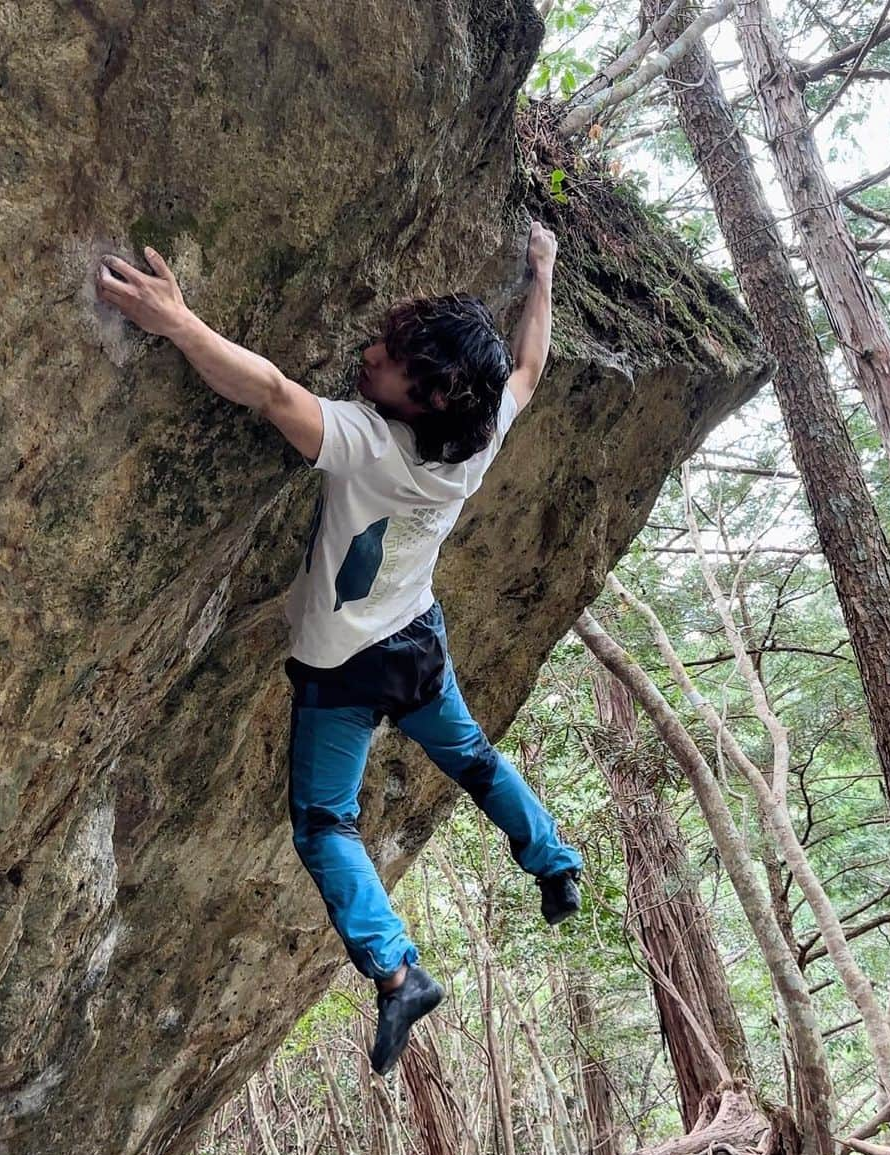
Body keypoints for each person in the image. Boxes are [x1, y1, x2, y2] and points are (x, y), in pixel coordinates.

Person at [96, 221, 584, 1075]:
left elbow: (271, 390)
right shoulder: (477, 436)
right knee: (470, 758)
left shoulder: (364, 443)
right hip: (416, 639)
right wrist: (542, 270)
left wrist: (178, 323)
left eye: (388, 356)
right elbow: (529, 366)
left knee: (326, 822)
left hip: (341, 667)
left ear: (425, 396)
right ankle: (553, 863)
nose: (369, 352)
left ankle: (399, 974)